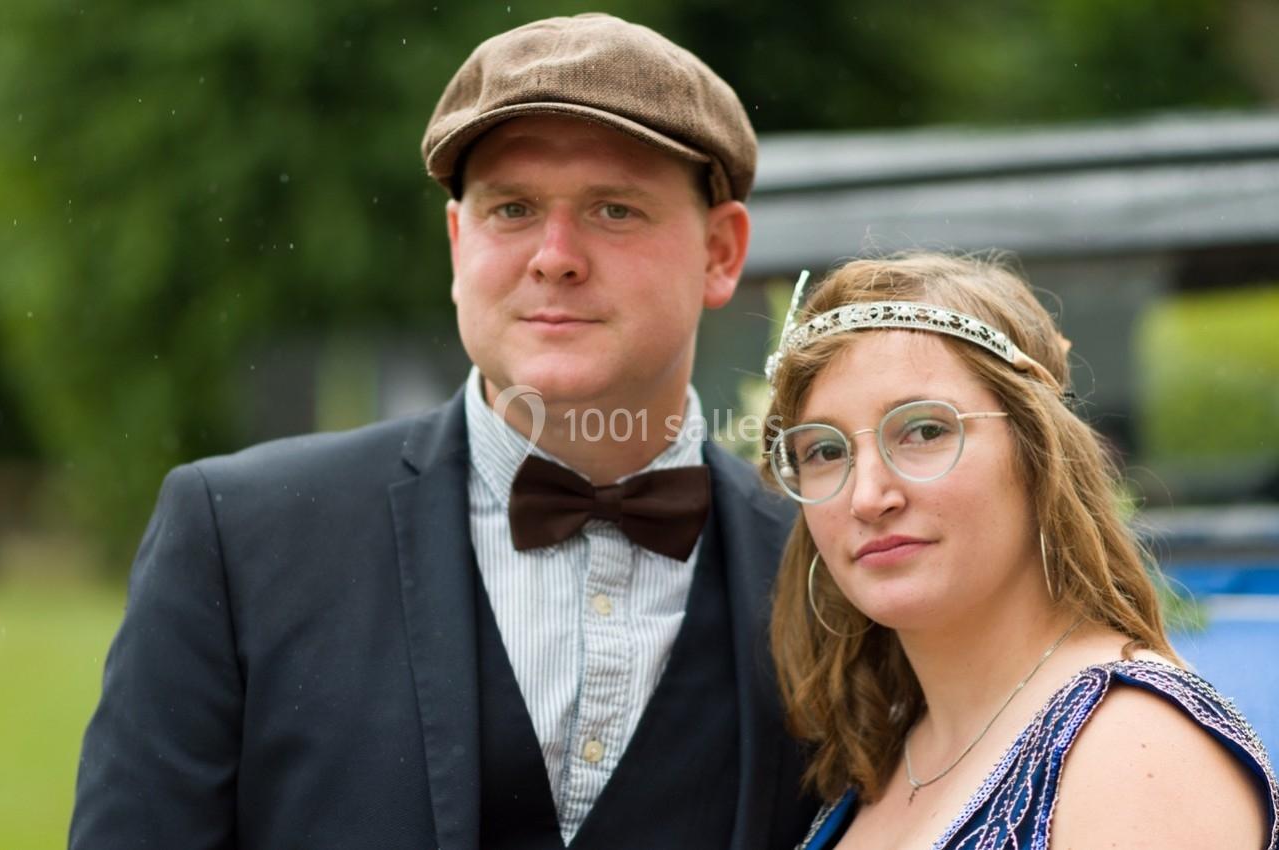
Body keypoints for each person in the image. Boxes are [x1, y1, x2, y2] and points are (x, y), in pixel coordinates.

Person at [70, 14, 818, 849]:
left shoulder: (826, 570)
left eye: (614, 208)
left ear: (722, 253)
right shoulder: (237, 539)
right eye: (513, 208)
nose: (555, 255)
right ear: (459, 242)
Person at [760, 254, 1279, 849]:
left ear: (1039, 454)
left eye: (925, 431)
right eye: (825, 451)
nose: (868, 496)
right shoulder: (886, 755)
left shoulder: (1134, 750)